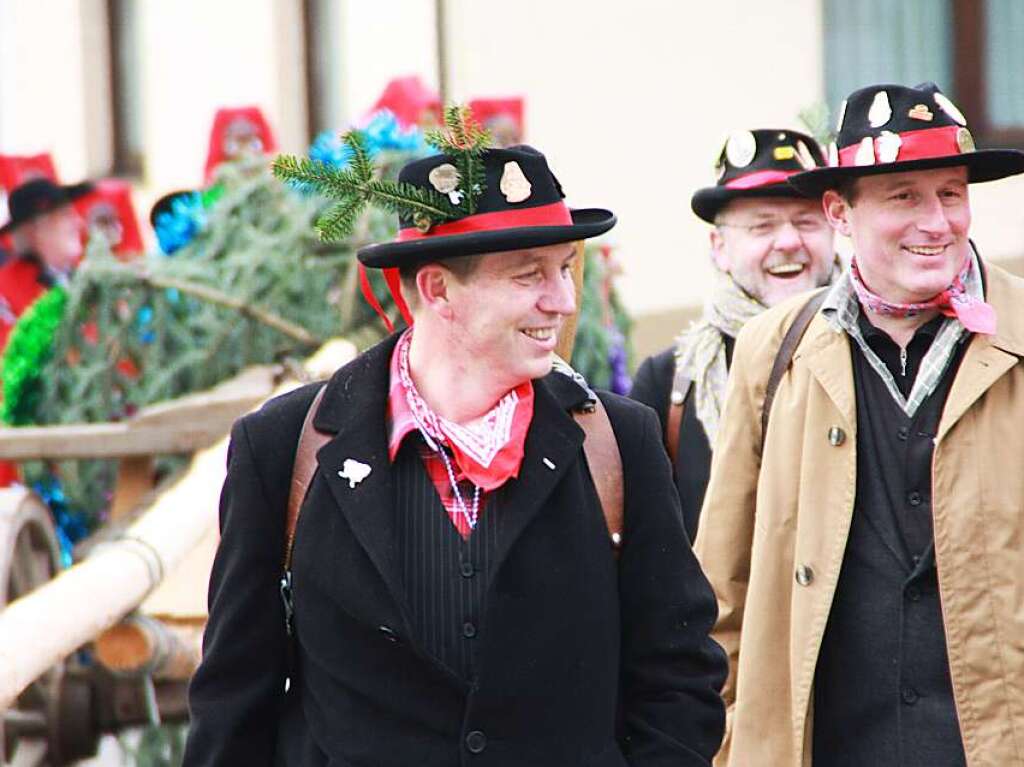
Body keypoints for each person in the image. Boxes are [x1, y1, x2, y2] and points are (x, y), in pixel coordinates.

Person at [185, 142, 727, 765]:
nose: (564, 300)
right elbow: (232, 701)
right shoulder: (284, 448)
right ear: (438, 290)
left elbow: (678, 679)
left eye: (565, 268)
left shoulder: (620, 443)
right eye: (530, 275)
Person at [696, 81, 1024, 766]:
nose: (935, 221)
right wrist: (726, 743)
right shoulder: (772, 350)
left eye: (951, 193)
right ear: (838, 212)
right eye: (904, 196)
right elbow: (720, 593)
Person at [630, 129, 835, 539]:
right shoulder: (669, 383)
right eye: (762, 227)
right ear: (719, 247)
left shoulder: (882, 350)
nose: (789, 241)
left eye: (806, 222)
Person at [0, 177, 92, 350]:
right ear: (36, 230)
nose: (79, 223)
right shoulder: (4, 289)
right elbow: (11, 360)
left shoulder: (86, 275)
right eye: (66, 215)